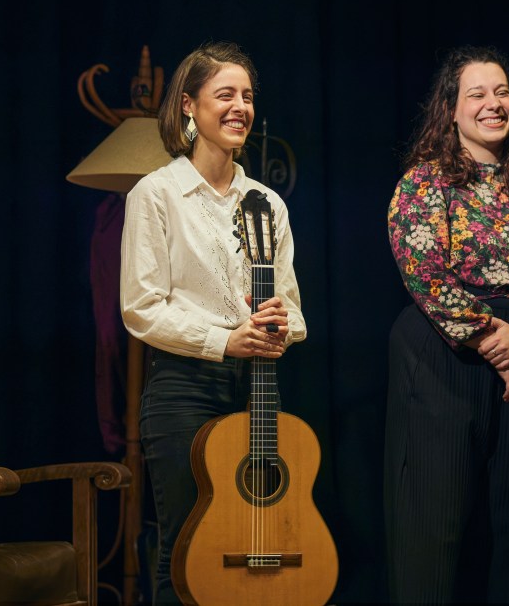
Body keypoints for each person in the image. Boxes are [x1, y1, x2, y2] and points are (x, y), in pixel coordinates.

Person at [384, 45, 509, 604]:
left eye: (502, 92)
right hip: (444, 355)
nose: (493, 104)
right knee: (433, 523)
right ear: (451, 109)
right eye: (477, 94)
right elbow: (425, 273)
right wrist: (502, 347)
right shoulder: (425, 183)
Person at [120, 41, 306, 605]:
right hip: (184, 389)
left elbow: (294, 310)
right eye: (225, 95)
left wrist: (281, 325)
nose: (240, 107)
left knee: (254, 540)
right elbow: (141, 307)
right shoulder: (156, 194)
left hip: (256, 388)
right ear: (188, 105)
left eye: (247, 96)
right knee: (187, 550)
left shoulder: (267, 202)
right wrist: (224, 340)